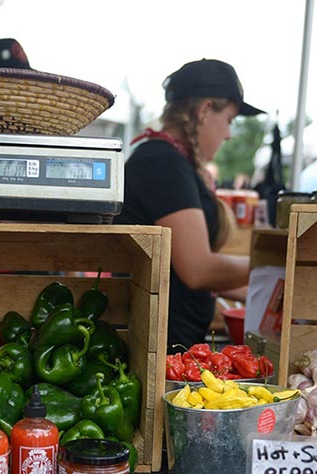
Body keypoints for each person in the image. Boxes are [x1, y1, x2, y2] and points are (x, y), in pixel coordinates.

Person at [116, 58, 257, 349]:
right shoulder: (162, 162)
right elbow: (197, 270)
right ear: (205, 110)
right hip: (157, 346)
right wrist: (271, 265)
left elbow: (178, 271)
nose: (229, 134)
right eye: (229, 120)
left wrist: (259, 290)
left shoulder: (172, 161)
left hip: (174, 344)